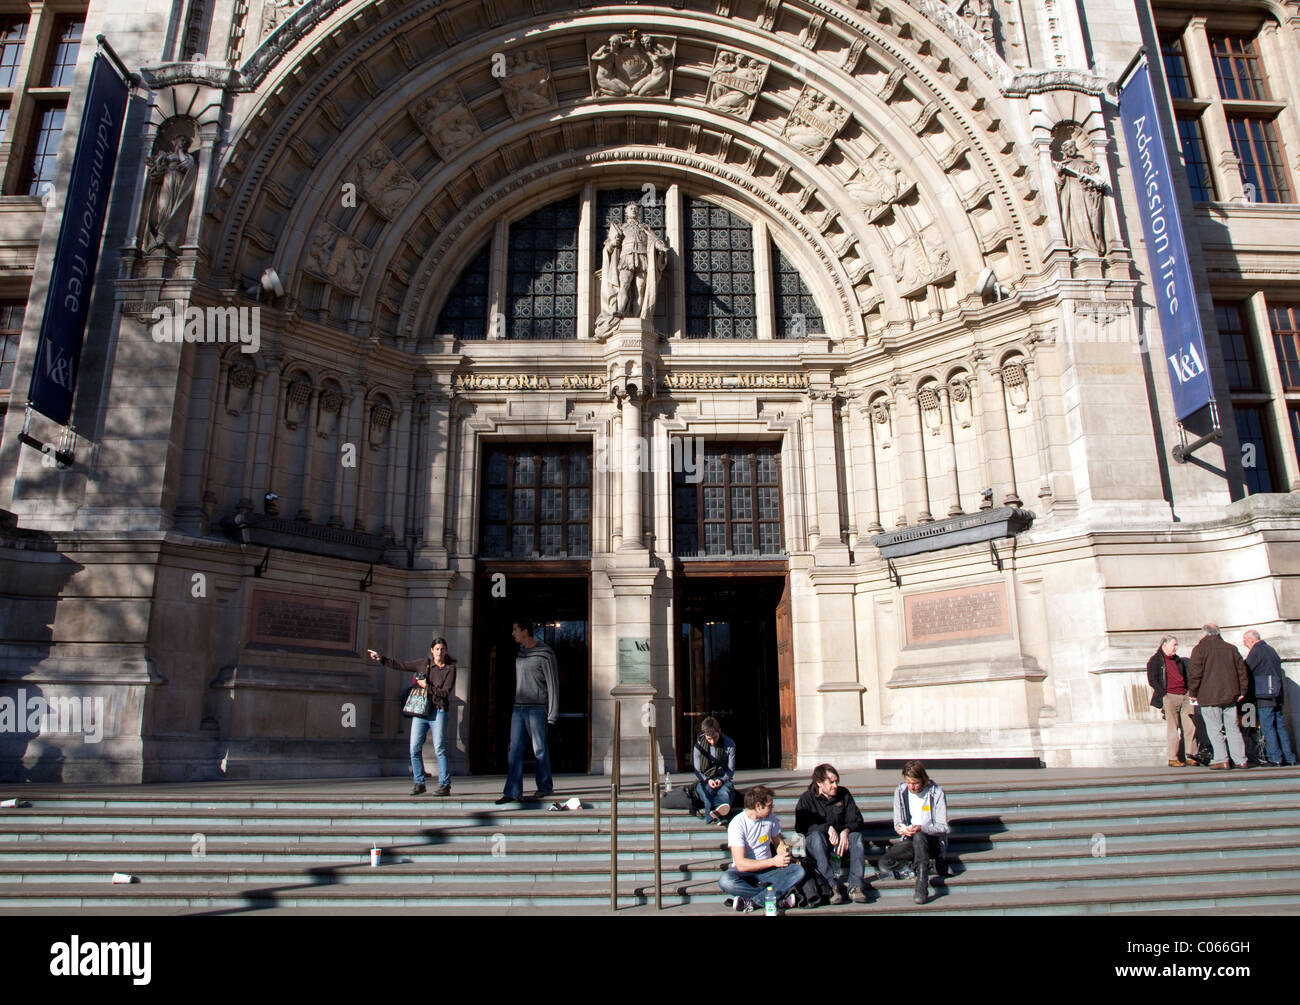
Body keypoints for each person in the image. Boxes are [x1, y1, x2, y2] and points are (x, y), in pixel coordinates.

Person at [367, 637, 457, 795]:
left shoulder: (450, 669)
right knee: (414, 748)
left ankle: (444, 784)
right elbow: (400, 664)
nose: (439, 652)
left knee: (440, 749)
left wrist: (426, 687)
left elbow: (444, 693)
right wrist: (381, 658)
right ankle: (419, 782)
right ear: (432, 650)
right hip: (420, 711)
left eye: (442, 649)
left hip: (438, 711)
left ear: (446, 651)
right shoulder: (424, 664)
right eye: (437, 649)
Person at [868, 760, 950, 905]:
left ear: (923, 779)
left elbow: (942, 827)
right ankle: (927, 866)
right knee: (884, 863)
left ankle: (922, 884)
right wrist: (901, 828)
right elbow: (898, 822)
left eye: (915, 783)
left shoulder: (936, 792)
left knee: (920, 836)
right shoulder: (900, 791)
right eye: (908, 782)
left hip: (932, 840)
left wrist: (922, 828)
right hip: (910, 840)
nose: (912, 787)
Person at [495, 620, 559, 804]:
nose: (512, 634)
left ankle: (544, 786)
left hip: (537, 708)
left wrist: (552, 714)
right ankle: (513, 791)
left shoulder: (545, 653)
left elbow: (553, 683)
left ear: (525, 631)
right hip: (519, 708)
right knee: (514, 749)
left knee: (539, 748)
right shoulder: (520, 653)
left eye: (515, 630)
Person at [718, 785, 805, 914]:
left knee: (798, 870)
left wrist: (784, 853)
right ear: (758, 806)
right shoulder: (737, 824)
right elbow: (741, 864)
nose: (772, 808)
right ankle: (776, 898)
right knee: (725, 881)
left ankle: (754, 902)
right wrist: (774, 862)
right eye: (770, 805)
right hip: (746, 872)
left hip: (768, 870)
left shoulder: (770, 817)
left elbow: (778, 842)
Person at [794, 763, 868, 904]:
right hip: (818, 844)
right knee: (816, 837)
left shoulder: (844, 794)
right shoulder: (807, 799)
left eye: (836, 781)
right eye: (831, 782)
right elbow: (801, 827)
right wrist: (826, 828)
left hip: (841, 843)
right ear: (819, 783)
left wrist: (846, 831)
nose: (835, 785)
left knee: (856, 837)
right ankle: (831, 886)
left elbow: (857, 820)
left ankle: (856, 886)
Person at [1188, 623, 1250, 770]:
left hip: (1209, 696)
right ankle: (1240, 759)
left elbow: (1195, 674)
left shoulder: (1200, 649)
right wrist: (1243, 690)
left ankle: (1222, 759)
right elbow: (1242, 672)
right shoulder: (1231, 648)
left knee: (1215, 729)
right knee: (1233, 728)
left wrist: (1193, 693)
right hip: (1230, 695)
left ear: (1204, 634)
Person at [1243, 630, 1297, 767]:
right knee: (1280, 726)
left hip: (1264, 695)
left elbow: (1246, 670)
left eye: (1245, 643)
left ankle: (1275, 758)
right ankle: (1289, 758)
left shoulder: (1256, 651)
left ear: (1250, 640)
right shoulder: (1271, 649)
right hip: (1277, 693)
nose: (1246, 645)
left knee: (1268, 727)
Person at [1147, 635, 1198, 767]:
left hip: (1184, 695)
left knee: (1190, 726)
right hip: (1169, 696)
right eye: (1174, 645)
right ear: (1165, 644)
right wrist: (1164, 694)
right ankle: (1172, 757)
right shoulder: (1155, 661)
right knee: (1173, 727)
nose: (1176, 647)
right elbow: (1152, 680)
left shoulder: (1178, 660)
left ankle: (1191, 755)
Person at [692, 717, 735, 826]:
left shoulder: (729, 744)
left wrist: (722, 780)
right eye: (709, 738)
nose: (712, 741)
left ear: (719, 731)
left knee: (724, 793)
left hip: (722, 778)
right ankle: (719, 817)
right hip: (705, 779)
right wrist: (707, 780)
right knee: (707, 794)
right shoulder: (698, 745)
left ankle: (715, 814)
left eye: (715, 737)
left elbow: (730, 770)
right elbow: (697, 770)